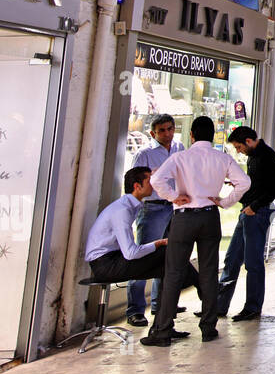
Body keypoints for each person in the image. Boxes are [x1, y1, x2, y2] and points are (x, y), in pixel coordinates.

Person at [140, 117, 250, 346]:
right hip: (210, 215)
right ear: (212, 135)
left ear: (191, 135)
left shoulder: (180, 157)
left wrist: (173, 197)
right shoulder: (222, 158)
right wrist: (225, 202)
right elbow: (244, 182)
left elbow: (158, 179)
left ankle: (163, 330)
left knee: (173, 272)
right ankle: (208, 328)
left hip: (184, 216)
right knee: (209, 272)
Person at [85, 167, 199, 335]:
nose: (153, 184)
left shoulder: (131, 206)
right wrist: (157, 243)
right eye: (148, 181)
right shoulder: (122, 210)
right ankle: (201, 284)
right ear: (137, 186)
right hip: (105, 265)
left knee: (168, 270)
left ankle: (162, 328)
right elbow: (130, 253)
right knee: (167, 254)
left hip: (113, 259)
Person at [215, 125, 275, 321]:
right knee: (232, 258)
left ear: (249, 142)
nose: (238, 151)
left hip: (257, 213)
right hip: (247, 211)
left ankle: (252, 307)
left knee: (253, 262)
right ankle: (218, 305)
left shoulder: (267, 157)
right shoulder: (253, 157)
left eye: (239, 147)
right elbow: (257, 184)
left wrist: (255, 206)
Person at [126, 113, 184, 326]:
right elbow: (135, 182)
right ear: (153, 133)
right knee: (143, 257)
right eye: (162, 130)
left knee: (168, 257)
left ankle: (161, 304)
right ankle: (135, 310)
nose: (167, 134)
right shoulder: (145, 154)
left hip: (175, 208)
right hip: (152, 208)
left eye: (170, 128)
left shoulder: (179, 148)